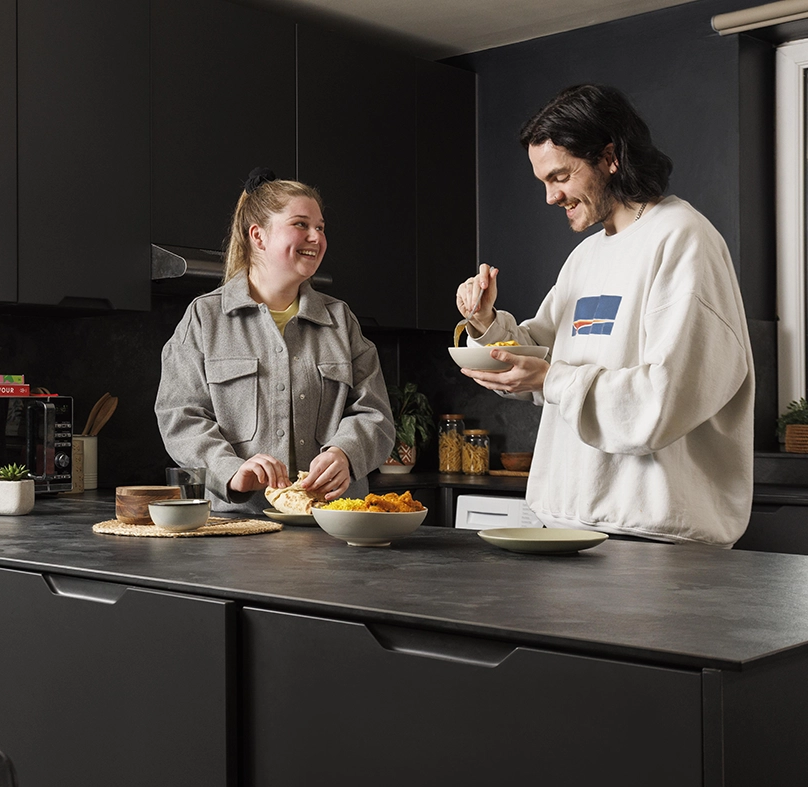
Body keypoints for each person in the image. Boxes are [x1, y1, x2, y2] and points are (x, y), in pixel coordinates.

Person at [454, 84, 754, 547]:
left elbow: (664, 399)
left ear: (610, 156)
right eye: (543, 183)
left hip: (652, 535)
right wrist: (485, 323)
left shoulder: (682, 240)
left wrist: (550, 378)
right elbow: (544, 352)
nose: (551, 197)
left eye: (561, 177)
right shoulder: (586, 256)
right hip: (566, 521)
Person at [155, 168, 395, 513]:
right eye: (301, 224)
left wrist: (346, 453)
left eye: (321, 228)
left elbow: (375, 413)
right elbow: (180, 417)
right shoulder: (204, 319)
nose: (316, 236)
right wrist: (232, 471)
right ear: (259, 236)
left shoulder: (341, 321)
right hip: (237, 529)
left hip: (333, 525)